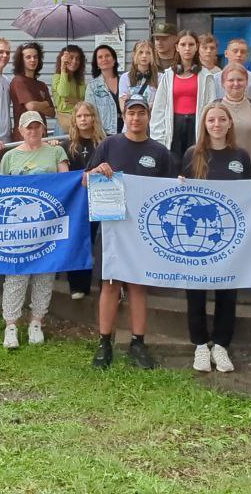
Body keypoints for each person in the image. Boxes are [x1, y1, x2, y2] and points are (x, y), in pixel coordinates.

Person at [86, 94, 173, 370]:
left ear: (148, 116)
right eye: (131, 113)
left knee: (138, 285)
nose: (136, 118)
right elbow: (85, 181)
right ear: (124, 116)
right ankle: (104, 343)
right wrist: (95, 172)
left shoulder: (160, 152)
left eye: (141, 113)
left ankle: (138, 343)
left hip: (144, 232)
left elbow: (170, 192)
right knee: (110, 285)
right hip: (113, 228)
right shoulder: (109, 144)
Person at [181, 102, 251, 373]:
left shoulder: (241, 156)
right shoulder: (193, 154)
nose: (217, 124)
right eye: (211, 120)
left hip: (228, 237)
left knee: (227, 291)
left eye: (222, 119)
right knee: (195, 291)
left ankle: (221, 345)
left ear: (230, 123)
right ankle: (200, 345)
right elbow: (182, 195)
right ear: (204, 124)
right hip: (197, 238)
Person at [0, 111, 69, 349]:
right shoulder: (9, 157)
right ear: (20, 130)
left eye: (37, 126)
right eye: (29, 127)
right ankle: (11, 325)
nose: (33, 131)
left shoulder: (56, 152)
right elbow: (0, 190)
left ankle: (36, 322)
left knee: (44, 273)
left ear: (44, 129)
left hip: (48, 225)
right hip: (19, 227)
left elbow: (66, 182)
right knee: (16, 274)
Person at [150, 30, 220, 163]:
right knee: (173, 164)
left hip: (196, 126)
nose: (187, 48)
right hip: (174, 125)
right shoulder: (168, 76)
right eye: (183, 44)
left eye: (191, 44)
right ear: (177, 47)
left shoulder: (206, 76)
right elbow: (159, 108)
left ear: (196, 47)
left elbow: (211, 107)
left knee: (195, 164)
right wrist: (157, 136)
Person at [65, 102, 105, 299]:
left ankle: (108, 285)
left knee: (102, 242)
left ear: (93, 118)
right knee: (78, 239)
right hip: (77, 201)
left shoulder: (105, 143)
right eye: (79, 116)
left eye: (87, 115)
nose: (83, 119)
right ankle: (78, 286)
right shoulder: (67, 145)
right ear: (74, 119)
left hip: (101, 199)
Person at [8, 42, 55, 140]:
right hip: (23, 139)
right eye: (28, 57)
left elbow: (52, 112)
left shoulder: (42, 85)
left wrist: (37, 105)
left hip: (41, 137)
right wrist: (45, 103)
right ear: (21, 60)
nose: (33, 60)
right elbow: (31, 106)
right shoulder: (18, 81)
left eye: (35, 57)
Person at [84, 44, 121, 136]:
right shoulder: (92, 86)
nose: (104, 59)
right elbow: (90, 112)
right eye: (100, 57)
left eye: (107, 55)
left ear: (114, 60)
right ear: (97, 63)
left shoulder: (124, 81)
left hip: (127, 132)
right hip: (104, 135)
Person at [51, 44, 87, 135]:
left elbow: (86, 101)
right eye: (71, 57)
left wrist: (77, 102)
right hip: (64, 123)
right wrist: (63, 69)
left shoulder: (80, 81)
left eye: (77, 58)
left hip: (80, 122)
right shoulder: (57, 77)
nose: (74, 61)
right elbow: (64, 93)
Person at [118, 40, 159, 117]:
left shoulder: (160, 77)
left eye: (148, 53)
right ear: (134, 54)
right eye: (140, 52)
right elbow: (123, 106)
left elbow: (160, 104)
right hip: (131, 121)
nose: (144, 56)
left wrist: (131, 100)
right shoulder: (125, 77)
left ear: (153, 55)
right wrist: (149, 105)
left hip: (152, 121)